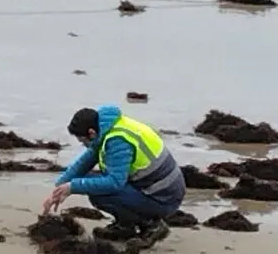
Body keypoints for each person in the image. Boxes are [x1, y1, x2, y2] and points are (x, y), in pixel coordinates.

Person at [43, 104, 186, 245]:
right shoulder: (107, 127)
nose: (84, 145)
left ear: (91, 133)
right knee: (91, 183)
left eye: (83, 141)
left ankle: (151, 225)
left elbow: (114, 183)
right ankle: (125, 226)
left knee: (99, 194)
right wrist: (60, 186)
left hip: (164, 197)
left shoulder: (118, 142)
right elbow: (86, 161)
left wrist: (72, 187)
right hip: (155, 188)